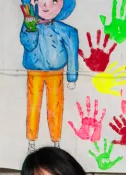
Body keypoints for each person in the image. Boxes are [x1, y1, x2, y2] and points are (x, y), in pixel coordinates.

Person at [20, 0, 79, 150]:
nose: (46, 5)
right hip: (34, 72)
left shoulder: (66, 30)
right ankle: (31, 141)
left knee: (55, 106)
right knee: (33, 106)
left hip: (56, 73)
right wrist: (31, 28)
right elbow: (28, 43)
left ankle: (56, 141)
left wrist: (72, 76)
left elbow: (72, 52)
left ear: (62, 5)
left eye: (54, 1)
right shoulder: (29, 25)